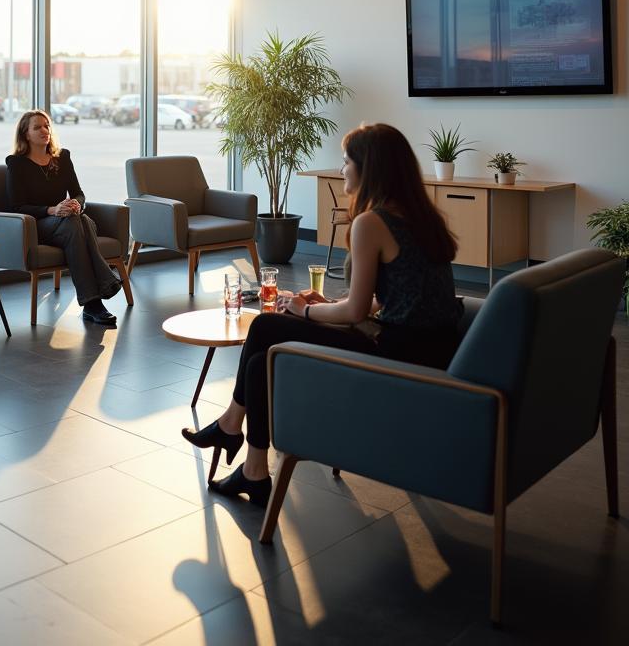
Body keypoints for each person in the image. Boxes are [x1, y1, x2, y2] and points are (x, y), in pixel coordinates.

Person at [182, 122, 464, 505]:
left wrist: (305, 311)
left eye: (347, 161)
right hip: (429, 350)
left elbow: (357, 310)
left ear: (369, 169)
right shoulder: (422, 218)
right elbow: (400, 297)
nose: (343, 168)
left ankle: (233, 428)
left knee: (265, 325)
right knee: (260, 361)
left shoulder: (371, 223)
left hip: (393, 355)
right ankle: (252, 467)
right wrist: (322, 304)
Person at [5, 110, 123, 326]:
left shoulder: (63, 157)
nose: (44, 130)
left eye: (46, 125)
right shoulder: (17, 163)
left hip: (69, 222)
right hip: (39, 224)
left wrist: (77, 203)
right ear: (25, 134)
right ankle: (99, 292)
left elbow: (78, 192)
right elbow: (17, 206)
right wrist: (52, 210)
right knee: (80, 223)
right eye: (37, 127)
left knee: (80, 221)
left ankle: (92, 303)